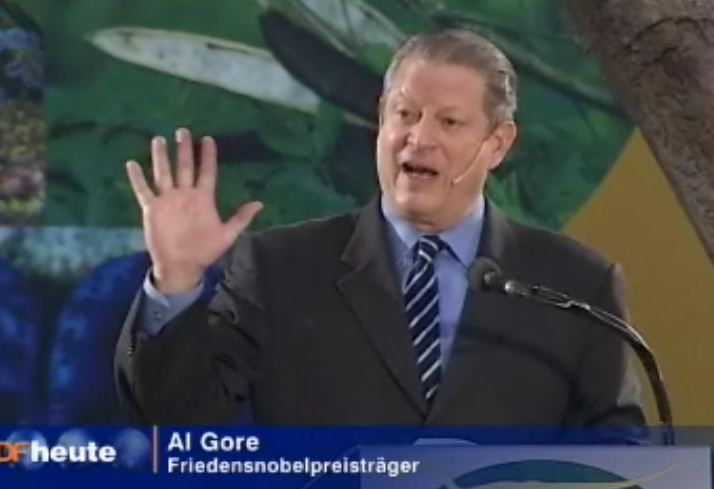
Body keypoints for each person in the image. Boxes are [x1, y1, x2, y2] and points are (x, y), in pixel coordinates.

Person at [114, 29, 645, 427]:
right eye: (404, 114)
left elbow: (618, 455)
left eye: (449, 122)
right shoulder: (276, 269)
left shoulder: (575, 285)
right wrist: (175, 281)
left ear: (498, 144)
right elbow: (177, 419)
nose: (419, 138)